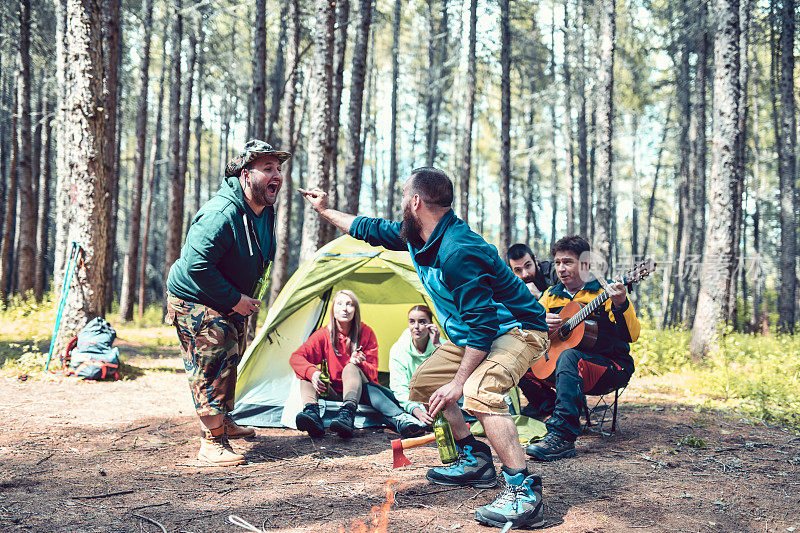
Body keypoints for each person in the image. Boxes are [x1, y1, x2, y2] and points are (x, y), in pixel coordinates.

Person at [300, 168, 550, 529]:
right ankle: (475, 459)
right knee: (427, 382)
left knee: (478, 391)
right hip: (476, 333)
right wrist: (325, 210)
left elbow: (484, 325)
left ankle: (523, 492)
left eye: (404, 196)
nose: (401, 202)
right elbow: (367, 229)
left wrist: (459, 382)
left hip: (518, 328)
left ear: (415, 201)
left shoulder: (458, 250)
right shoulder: (417, 234)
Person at [166, 139, 290, 467]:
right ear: (246, 176)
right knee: (216, 347)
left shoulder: (264, 210)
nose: (277, 174)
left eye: (279, 169)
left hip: (226, 296)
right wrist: (235, 299)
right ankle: (211, 443)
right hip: (192, 297)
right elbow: (196, 266)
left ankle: (224, 421)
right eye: (268, 168)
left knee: (232, 353)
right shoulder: (221, 213)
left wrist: (239, 299)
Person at [525, 235, 640, 462]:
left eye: (568, 262)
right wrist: (540, 323)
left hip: (610, 367)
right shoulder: (550, 295)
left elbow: (632, 335)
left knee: (569, 356)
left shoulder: (605, 291)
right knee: (518, 359)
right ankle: (550, 409)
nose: (560, 268)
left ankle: (562, 436)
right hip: (565, 370)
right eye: (557, 262)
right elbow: (529, 331)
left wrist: (621, 304)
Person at [290, 290, 428, 439]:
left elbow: (373, 373)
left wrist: (360, 364)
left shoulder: (366, 333)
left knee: (350, 367)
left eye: (350, 304)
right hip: (334, 392)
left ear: (355, 310)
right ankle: (311, 413)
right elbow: (296, 357)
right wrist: (313, 373)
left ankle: (347, 414)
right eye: (340, 304)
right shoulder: (323, 335)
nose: (344, 308)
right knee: (307, 373)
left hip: (363, 393)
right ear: (333, 309)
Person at [506, 243, 559, 420]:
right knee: (512, 355)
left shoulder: (554, 272)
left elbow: (569, 306)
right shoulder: (511, 286)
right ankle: (544, 403)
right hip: (536, 341)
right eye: (518, 270)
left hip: (560, 338)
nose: (525, 274)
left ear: (536, 261)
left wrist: (540, 297)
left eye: (528, 266)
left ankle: (556, 404)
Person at [389, 305, 442, 426]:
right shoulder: (398, 349)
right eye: (412, 322)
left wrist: (438, 346)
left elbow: (452, 377)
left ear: (430, 324)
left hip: (438, 403)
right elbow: (399, 387)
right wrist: (416, 411)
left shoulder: (441, 345)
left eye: (422, 322)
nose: (416, 327)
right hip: (410, 404)